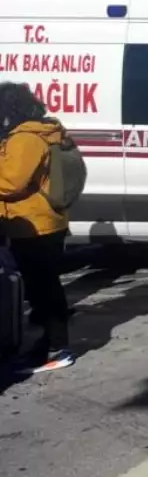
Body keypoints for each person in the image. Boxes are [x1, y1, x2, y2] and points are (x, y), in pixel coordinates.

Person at [0, 83, 75, 373]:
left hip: (36, 225)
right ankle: (49, 345)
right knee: (42, 287)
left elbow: (11, 182)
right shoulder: (31, 133)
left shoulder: (26, 139)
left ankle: (59, 347)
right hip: (37, 222)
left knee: (44, 288)